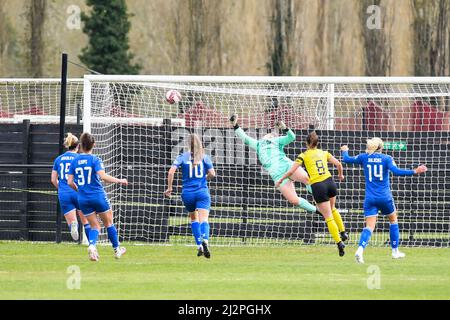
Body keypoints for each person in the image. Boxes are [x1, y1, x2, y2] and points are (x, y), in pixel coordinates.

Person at [341, 138, 428, 263]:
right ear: (381, 147)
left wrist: (345, 151)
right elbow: (397, 172)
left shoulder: (364, 157)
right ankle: (395, 251)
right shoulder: (387, 158)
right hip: (384, 197)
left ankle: (360, 250)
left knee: (369, 226)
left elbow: (347, 159)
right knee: (393, 220)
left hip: (370, 198)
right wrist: (415, 171)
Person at [230, 115, 320, 216]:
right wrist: (235, 125)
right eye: (269, 134)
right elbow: (244, 137)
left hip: (287, 166)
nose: (269, 135)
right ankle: (318, 211)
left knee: (307, 179)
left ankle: (321, 200)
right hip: (278, 176)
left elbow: (292, 137)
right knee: (293, 200)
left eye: (271, 135)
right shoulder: (258, 144)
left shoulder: (276, 141)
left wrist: (284, 127)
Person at [276, 131, 348, 257]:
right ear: (317, 143)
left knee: (328, 217)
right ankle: (343, 232)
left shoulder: (303, 155)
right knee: (333, 208)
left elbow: (291, 170)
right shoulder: (324, 153)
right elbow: (338, 164)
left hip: (318, 186)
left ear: (306, 143)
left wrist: (281, 180)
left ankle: (339, 243)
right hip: (330, 182)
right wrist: (340, 175)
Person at [67, 133, 128, 262]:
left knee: (94, 226)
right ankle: (117, 249)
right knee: (109, 223)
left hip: (83, 198)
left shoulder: (74, 161)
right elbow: (103, 177)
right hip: (98, 196)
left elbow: (69, 182)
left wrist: (79, 190)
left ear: (81, 146)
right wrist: (119, 180)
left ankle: (92, 245)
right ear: (93, 145)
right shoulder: (95, 159)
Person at [165, 134, 216, 258]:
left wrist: (170, 188)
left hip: (187, 194)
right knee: (204, 219)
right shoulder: (204, 157)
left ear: (188, 144)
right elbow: (212, 174)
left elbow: (171, 171)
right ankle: (206, 241)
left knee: (194, 219)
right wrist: (205, 177)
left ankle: (199, 245)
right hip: (202, 192)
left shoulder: (182, 157)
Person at [51, 133, 90, 242]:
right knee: (86, 221)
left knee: (72, 221)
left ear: (67, 146)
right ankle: (92, 243)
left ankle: (73, 225)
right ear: (78, 146)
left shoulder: (58, 159)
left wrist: (61, 189)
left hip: (64, 193)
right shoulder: (80, 158)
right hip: (78, 191)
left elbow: (53, 180)